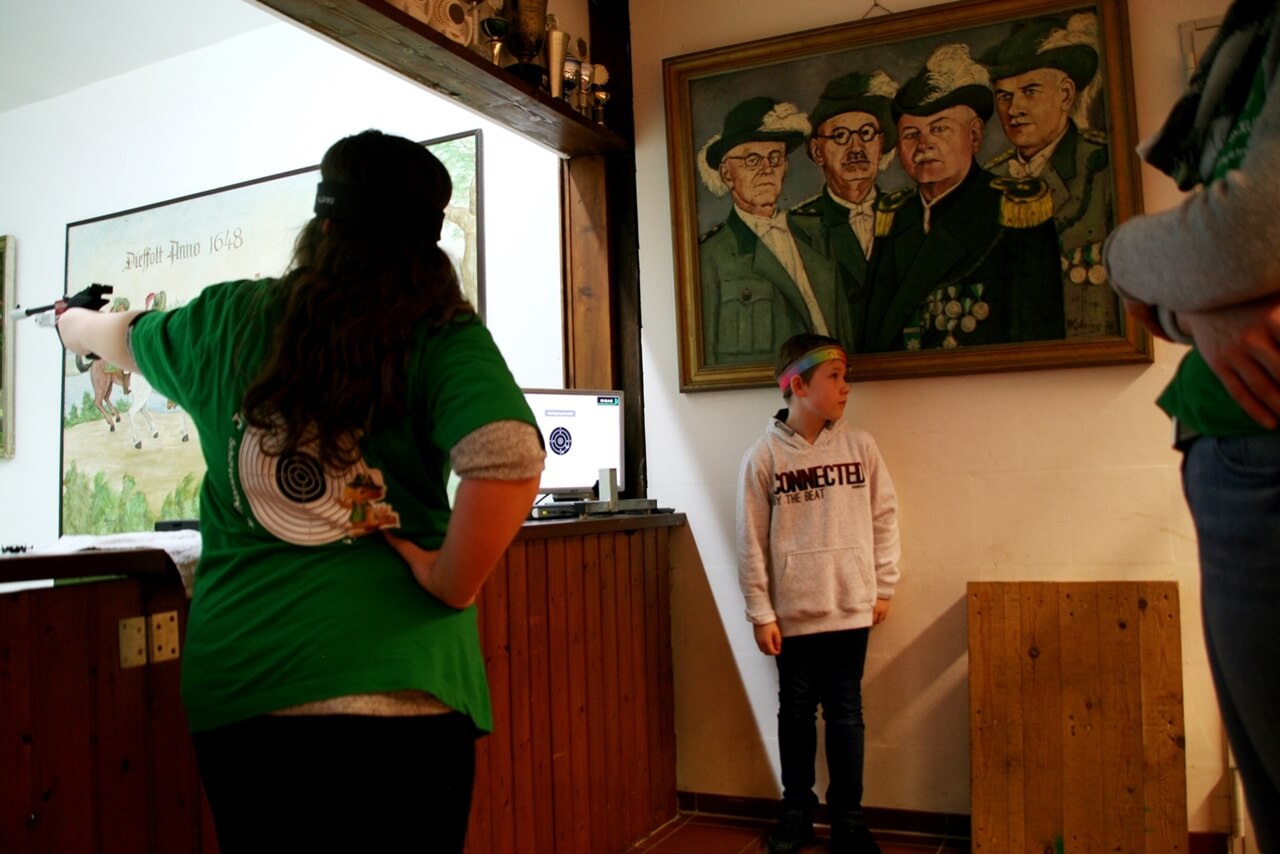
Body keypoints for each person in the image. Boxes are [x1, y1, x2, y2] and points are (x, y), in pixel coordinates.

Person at [55, 129, 545, 852]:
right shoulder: (440, 333)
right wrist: (450, 580)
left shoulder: (223, 320)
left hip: (250, 689)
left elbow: (113, 333)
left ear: (322, 226)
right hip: (408, 686)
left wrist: (70, 322)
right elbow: (507, 454)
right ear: (428, 247)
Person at [1103, 3, 1280, 849]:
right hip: (1237, 444)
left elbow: (1240, 235)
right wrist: (1193, 311)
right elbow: (1210, 281)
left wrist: (1122, 253)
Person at [735, 333, 901, 854]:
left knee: (846, 713)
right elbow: (750, 540)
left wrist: (884, 583)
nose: (846, 387)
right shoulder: (763, 457)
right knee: (796, 713)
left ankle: (848, 818)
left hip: (851, 608)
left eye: (845, 377)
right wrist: (761, 612)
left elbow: (884, 517)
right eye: (835, 377)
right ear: (798, 385)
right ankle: (797, 812)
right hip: (794, 617)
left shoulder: (861, 447)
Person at [861, 43, 1064, 352]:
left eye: (939, 129)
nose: (924, 145)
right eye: (911, 135)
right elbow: (872, 339)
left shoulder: (1012, 215)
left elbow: (1037, 346)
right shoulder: (896, 216)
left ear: (975, 135)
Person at [981, 13, 1118, 338]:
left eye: (1030, 91)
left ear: (1066, 95)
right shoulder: (987, 180)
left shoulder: (1101, 170)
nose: (1014, 109)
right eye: (1004, 97)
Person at [698, 96, 855, 365]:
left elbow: (843, 330)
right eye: (752, 160)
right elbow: (709, 360)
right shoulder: (711, 256)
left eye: (775, 158)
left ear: (785, 167)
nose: (767, 169)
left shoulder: (817, 234)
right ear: (727, 174)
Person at [789, 70, 900, 349]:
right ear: (818, 152)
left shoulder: (908, 214)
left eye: (866, 133)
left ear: (881, 144)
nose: (856, 147)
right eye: (840, 136)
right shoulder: (797, 228)